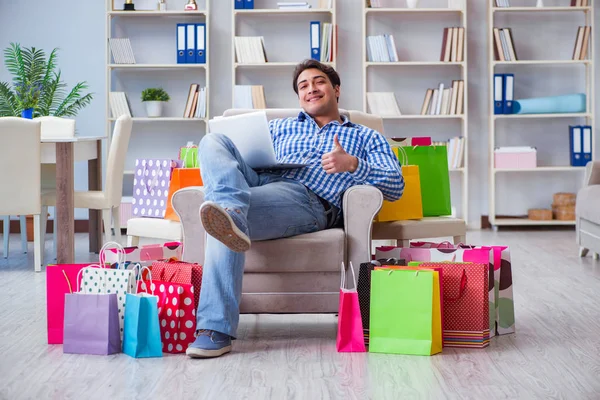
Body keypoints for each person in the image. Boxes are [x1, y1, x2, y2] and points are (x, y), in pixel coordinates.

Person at [186, 59, 404, 358]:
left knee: (220, 215)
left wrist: (352, 164)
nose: (311, 89)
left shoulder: (365, 136)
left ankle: (215, 329)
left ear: (336, 89)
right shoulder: (278, 128)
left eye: (318, 82)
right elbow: (231, 164)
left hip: (309, 200)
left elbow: (396, 186)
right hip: (258, 184)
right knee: (213, 141)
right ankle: (231, 213)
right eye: (303, 86)